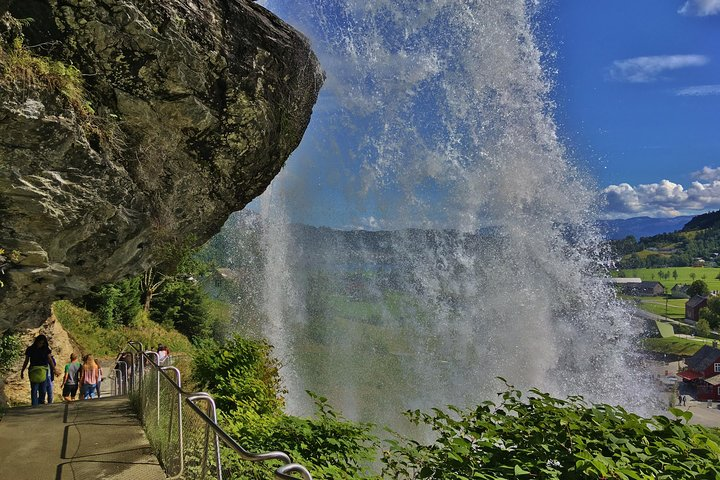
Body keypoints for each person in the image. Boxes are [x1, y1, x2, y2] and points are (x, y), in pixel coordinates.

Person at [19, 335, 58, 406]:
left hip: (43, 370)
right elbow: (26, 361)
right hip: (33, 370)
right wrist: (22, 370)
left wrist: (54, 369)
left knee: (43, 389)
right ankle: (34, 405)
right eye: (39, 343)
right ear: (36, 342)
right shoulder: (30, 349)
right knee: (34, 389)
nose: (40, 344)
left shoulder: (46, 349)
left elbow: (50, 359)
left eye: (42, 343)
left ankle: (41, 403)